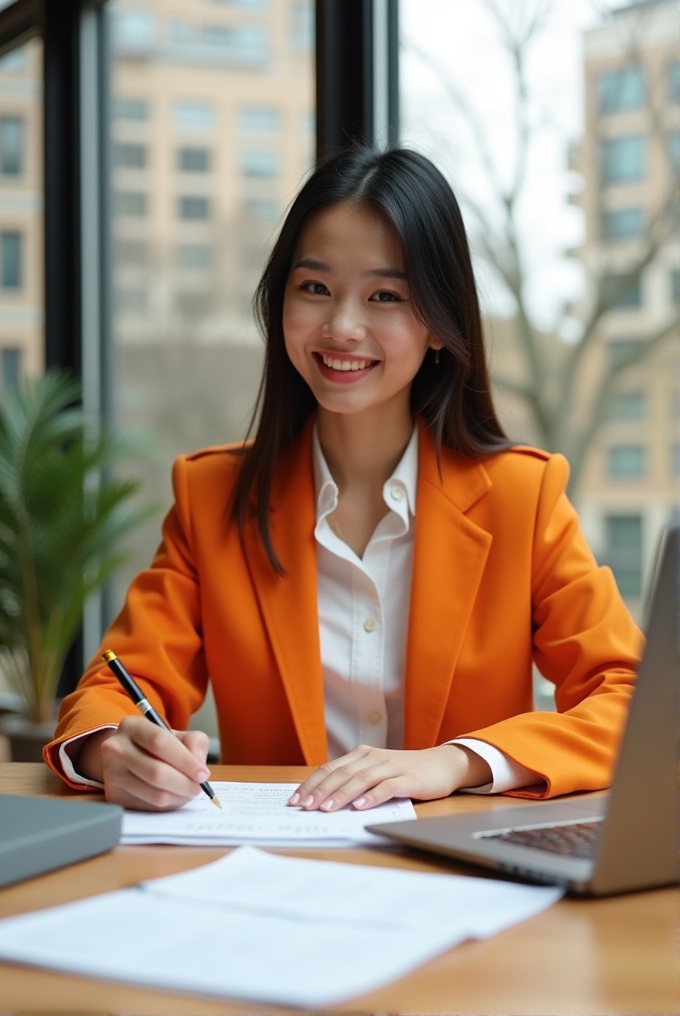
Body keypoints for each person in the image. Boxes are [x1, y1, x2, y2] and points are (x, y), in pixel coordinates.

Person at [44, 146, 641, 813]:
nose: (342, 327)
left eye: (386, 295)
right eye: (315, 288)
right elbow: (114, 691)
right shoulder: (212, 498)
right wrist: (113, 752)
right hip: (274, 878)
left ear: (439, 324)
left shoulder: (522, 500)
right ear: (282, 302)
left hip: (460, 880)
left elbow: (631, 700)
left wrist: (455, 763)